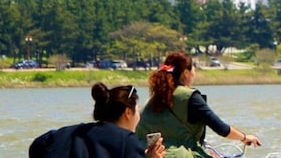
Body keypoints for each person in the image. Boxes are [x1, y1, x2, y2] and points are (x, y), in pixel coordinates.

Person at [137, 51, 263, 158]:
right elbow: (221, 128)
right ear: (186, 73)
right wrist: (245, 137)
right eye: (193, 69)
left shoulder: (153, 99)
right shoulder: (190, 97)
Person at [29, 83, 165, 158]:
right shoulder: (127, 140)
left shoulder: (62, 134)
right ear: (128, 112)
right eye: (137, 110)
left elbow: (36, 146)